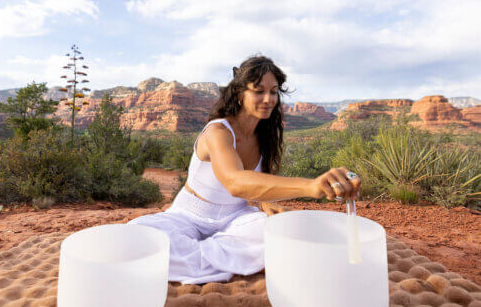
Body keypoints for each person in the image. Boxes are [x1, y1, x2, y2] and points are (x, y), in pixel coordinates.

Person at [127, 54, 362, 284]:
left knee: (282, 233)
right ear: (240, 94)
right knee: (138, 237)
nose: (268, 98)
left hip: (235, 219)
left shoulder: (265, 136)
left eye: (273, 91)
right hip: (188, 217)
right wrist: (311, 186)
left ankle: (207, 257)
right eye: (258, 91)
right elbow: (236, 183)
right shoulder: (217, 132)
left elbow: (257, 183)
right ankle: (223, 257)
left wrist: (263, 201)